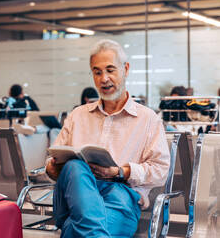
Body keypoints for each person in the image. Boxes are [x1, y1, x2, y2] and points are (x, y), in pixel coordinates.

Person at [45, 39, 170, 237]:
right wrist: (52, 167)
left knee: (75, 229)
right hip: (72, 198)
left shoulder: (148, 119)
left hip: (119, 197)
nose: (104, 79)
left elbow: (160, 170)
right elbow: (53, 163)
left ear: (125, 69)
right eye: (97, 72)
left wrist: (119, 171)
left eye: (110, 70)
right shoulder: (78, 115)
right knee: (74, 167)